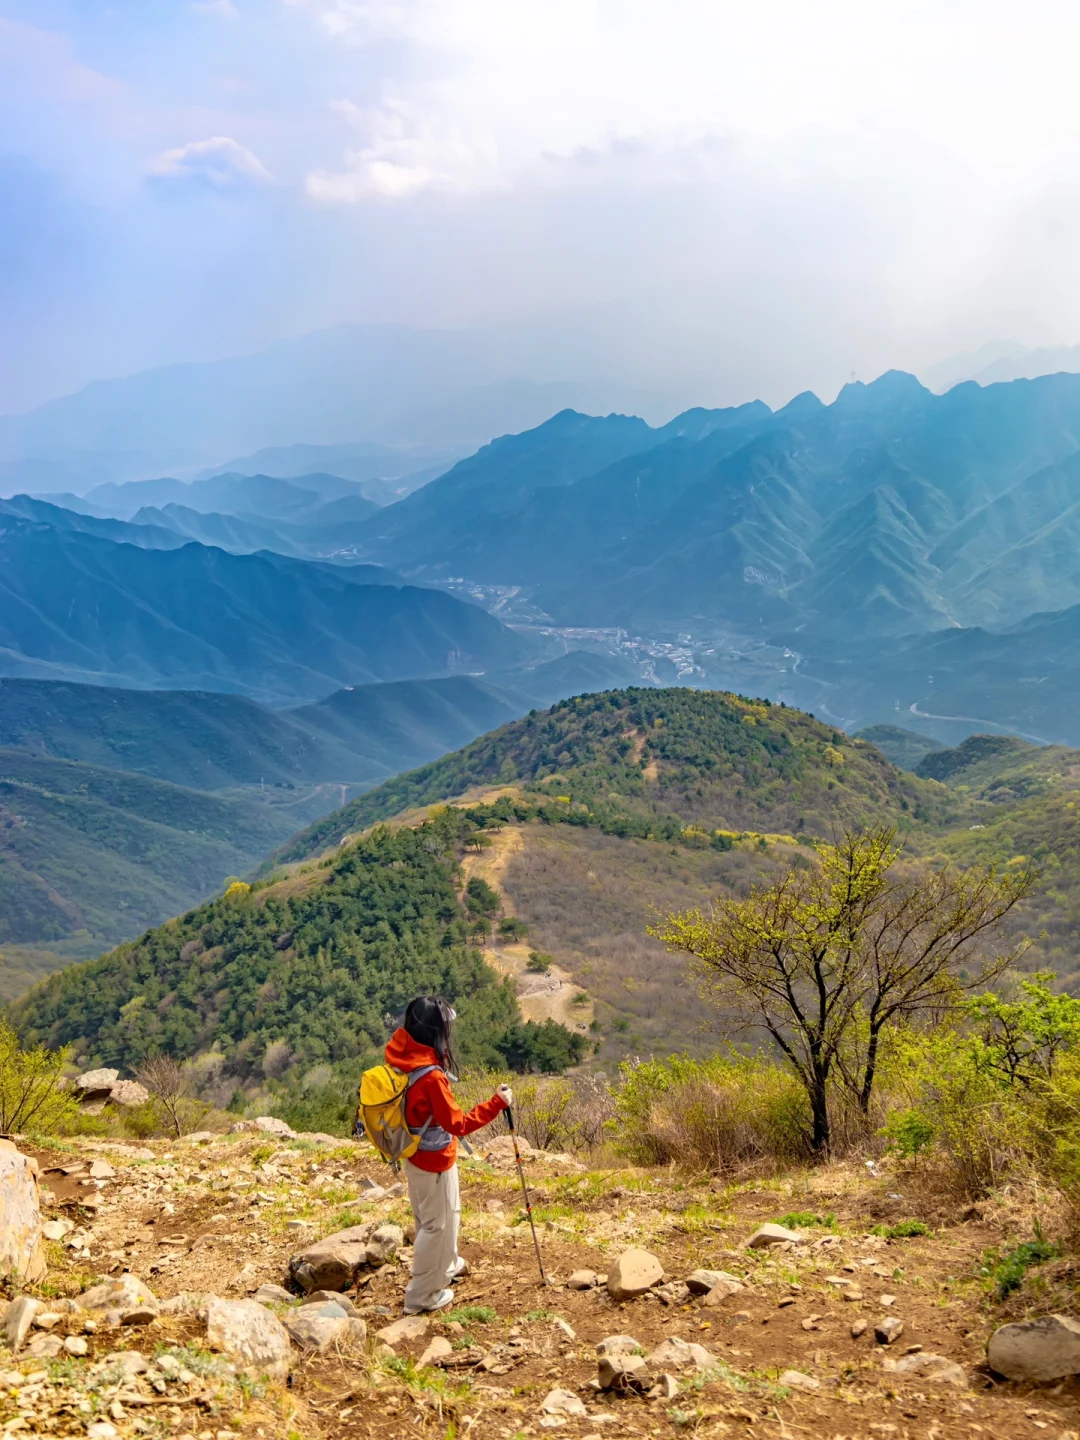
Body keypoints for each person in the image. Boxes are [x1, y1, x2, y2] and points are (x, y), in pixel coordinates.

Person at [386, 995, 512, 1314]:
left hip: (415, 1154)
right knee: (434, 1226)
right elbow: (457, 1124)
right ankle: (422, 1297)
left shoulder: (403, 1055)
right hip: (433, 1161)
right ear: (435, 1032)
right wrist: (497, 1103)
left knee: (443, 1215)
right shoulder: (430, 1077)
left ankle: (449, 1265)